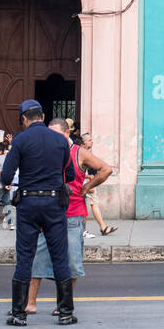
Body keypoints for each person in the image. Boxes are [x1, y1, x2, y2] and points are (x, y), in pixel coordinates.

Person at [0, 99, 80, 326]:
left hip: (28, 204)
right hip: (54, 204)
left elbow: (6, 177)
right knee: (59, 255)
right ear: (43, 117)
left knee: (25, 255)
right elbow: (70, 174)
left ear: (24, 119)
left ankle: (19, 314)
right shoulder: (61, 140)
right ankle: (65, 312)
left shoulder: (20, 140)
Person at [24, 119, 112, 317]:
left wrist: (87, 188)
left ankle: (63, 304)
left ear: (67, 133)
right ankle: (30, 303)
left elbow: (106, 169)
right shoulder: (45, 151)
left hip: (72, 214)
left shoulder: (79, 153)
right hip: (46, 212)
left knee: (72, 261)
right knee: (37, 257)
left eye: (56, 134)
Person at [78, 133, 118, 238]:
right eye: (89, 140)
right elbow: (77, 172)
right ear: (83, 142)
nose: (92, 142)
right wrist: (87, 182)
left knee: (92, 205)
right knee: (85, 207)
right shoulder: (80, 152)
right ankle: (88, 230)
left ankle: (101, 227)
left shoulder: (86, 152)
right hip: (84, 184)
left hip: (88, 183)